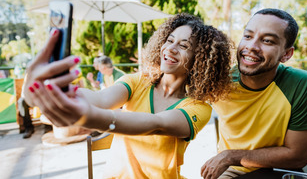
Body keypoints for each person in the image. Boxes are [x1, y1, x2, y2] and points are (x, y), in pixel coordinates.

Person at [22, 13, 233, 178]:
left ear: (200, 60)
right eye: (169, 40)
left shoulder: (198, 108)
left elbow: (155, 124)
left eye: (184, 45)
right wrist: (47, 91)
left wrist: (85, 117)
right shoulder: (138, 81)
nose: (171, 48)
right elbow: (100, 99)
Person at [201, 8, 307, 179]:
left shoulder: (300, 83)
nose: (251, 46)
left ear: (286, 54)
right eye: (248, 36)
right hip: (233, 171)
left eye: (267, 41)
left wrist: (230, 156)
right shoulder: (219, 81)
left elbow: (298, 156)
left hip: (280, 171)